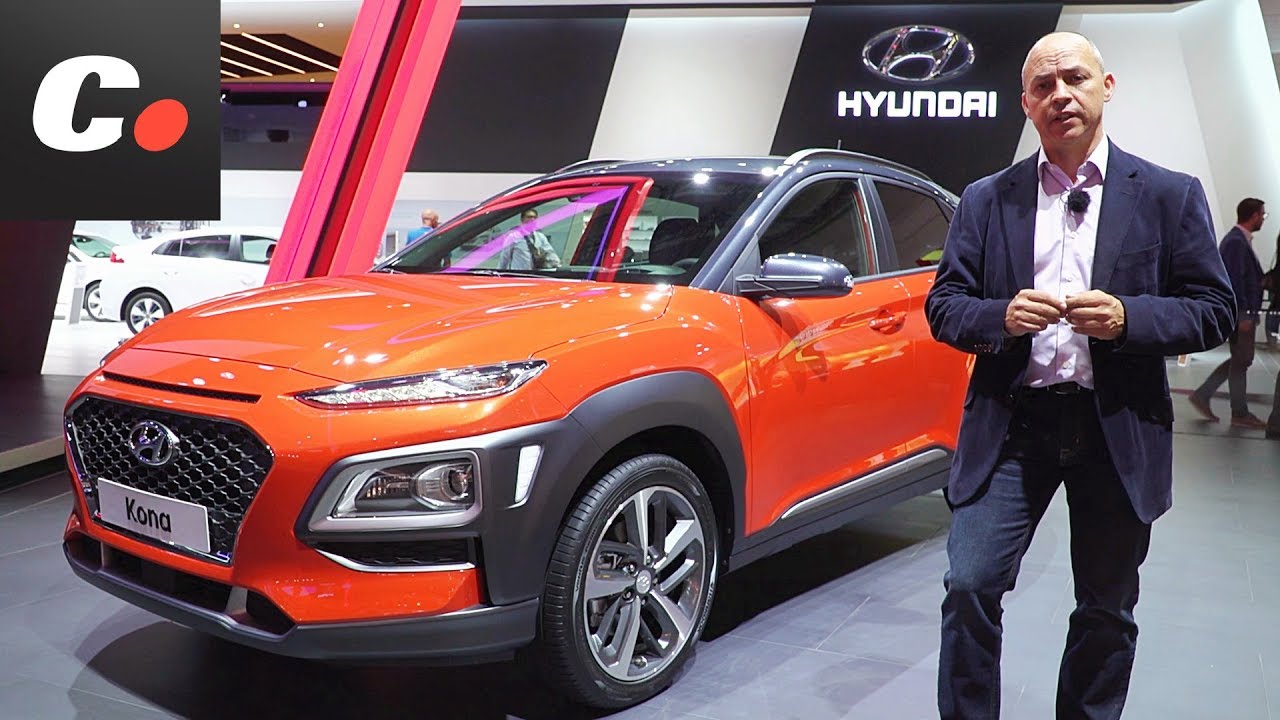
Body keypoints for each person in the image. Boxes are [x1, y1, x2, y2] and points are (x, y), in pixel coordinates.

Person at [925, 31, 1234, 720]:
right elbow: (944, 306)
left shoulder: (1168, 194)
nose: (1060, 94)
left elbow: (1214, 309)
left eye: (1075, 78)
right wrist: (1001, 316)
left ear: (1106, 87)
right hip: (1013, 424)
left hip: (1114, 425)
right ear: (1025, 103)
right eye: (1043, 85)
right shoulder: (986, 199)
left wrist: (1128, 317)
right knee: (969, 585)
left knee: (1106, 607)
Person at [1188, 199, 1268, 428]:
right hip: (1242, 313)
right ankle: (1238, 412)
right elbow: (1234, 281)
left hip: (1243, 312)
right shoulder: (1235, 242)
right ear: (1253, 215)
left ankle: (1205, 395)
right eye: (1262, 215)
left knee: (1241, 359)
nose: (1263, 219)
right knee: (1242, 360)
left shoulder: (1238, 241)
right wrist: (1242, 314)